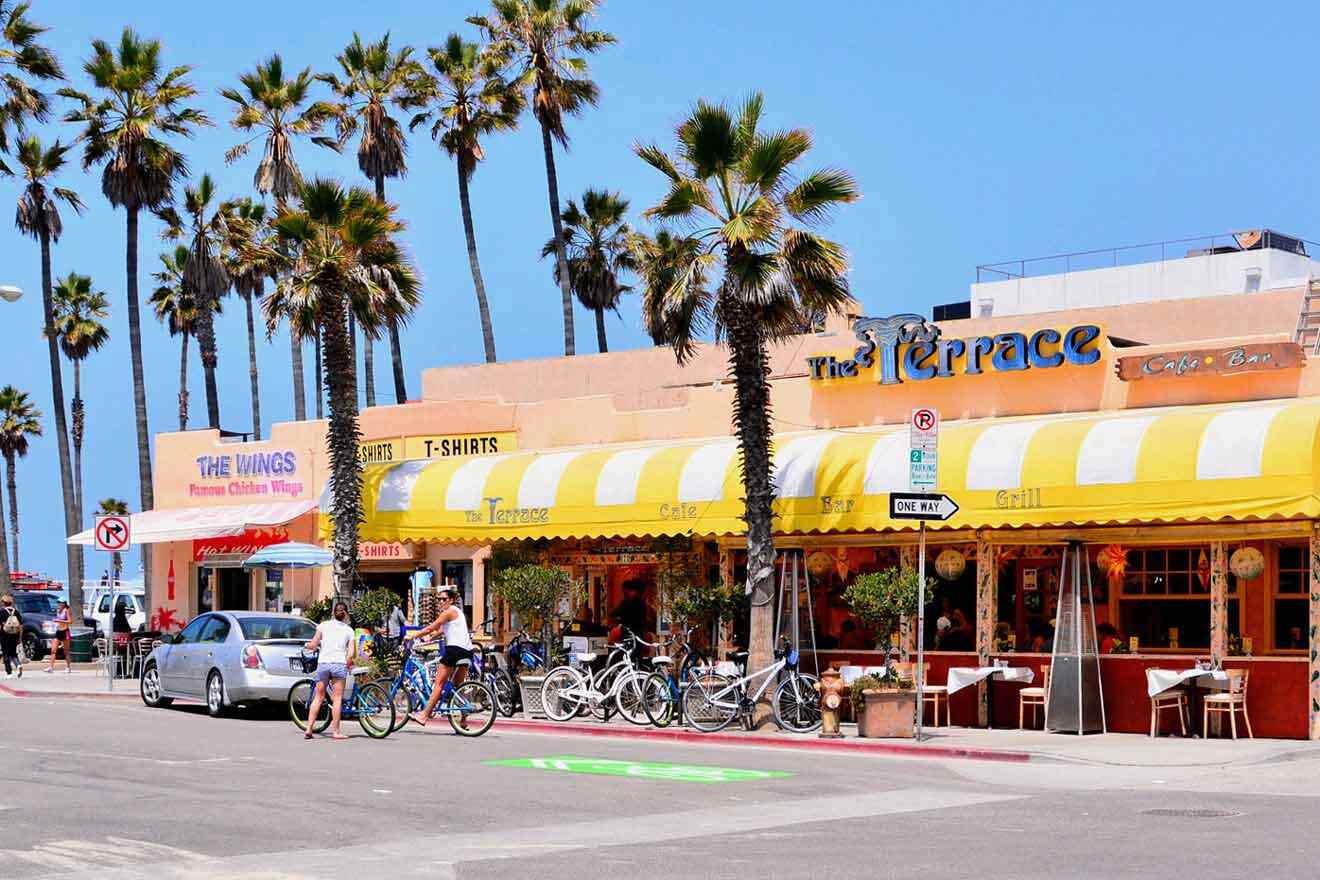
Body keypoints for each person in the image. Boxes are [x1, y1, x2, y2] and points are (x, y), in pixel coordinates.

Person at [404, 588, 473, 727]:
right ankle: (464, 719)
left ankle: (424, 715)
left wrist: (413, 636)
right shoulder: (458, 613)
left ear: (452, 600)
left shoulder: (449, 612)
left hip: (454, 650)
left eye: (444, 599)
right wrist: (429, 639)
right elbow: (441, 631)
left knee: (439, 684)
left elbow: (432, 627)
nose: (441, 602)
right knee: (457, 686)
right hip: (467, 651)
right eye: (439, 599)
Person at [300, 601, 356, 740]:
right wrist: (349, 660)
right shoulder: (349, 630)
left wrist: (307, 646)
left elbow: (313, 644)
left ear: (333, 613)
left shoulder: (323, 625)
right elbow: (351, 652)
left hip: (323, 664)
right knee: (337, 699)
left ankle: (308, 729)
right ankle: (336, 732)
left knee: (318, 697)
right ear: (346, 614)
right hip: (338, 664)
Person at [46, 599, 71, 673]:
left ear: (64, 603)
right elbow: (57, 620)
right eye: (58, 602)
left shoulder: (67, 610)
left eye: (60, 602)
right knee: (53, 650)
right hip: (58, 631)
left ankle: (68, 667)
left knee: (66, 651)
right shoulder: (58, 610)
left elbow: (70, 621)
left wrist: (59, 621)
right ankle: (51, 667)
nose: (59, 604)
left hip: (65, 631)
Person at [1, 594, 22, 678]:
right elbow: (21, 626)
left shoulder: (1, 612)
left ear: (4, 603)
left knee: (5, 653)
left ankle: (9, 673)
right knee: (13, 653)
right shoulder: (16, 612)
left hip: (5, 635)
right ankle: (18, 665)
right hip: (15, 634)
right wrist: (20, 637)